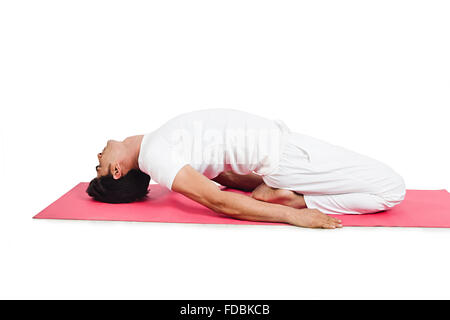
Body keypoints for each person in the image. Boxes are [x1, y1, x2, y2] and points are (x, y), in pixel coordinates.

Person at [87, 109, 405, 229]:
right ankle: (301, 200)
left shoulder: (156, 144)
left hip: (285, 153)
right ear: (116, 171)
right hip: (288, 157)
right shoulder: (156, 157)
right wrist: (296, 214)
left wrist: (258, 184)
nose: (99, 155)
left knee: (376, 185)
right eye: (99, 165)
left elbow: (221, 171)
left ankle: (294, 195)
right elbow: (217, 200)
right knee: (391, 190)